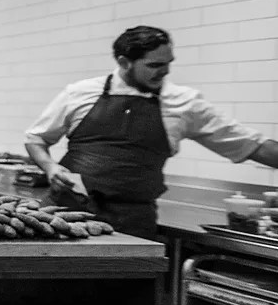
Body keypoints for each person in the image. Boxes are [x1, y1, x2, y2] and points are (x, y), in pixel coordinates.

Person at [25, 25, 278, 239]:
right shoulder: (81, 92)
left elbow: (251, 144)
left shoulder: (184, 103)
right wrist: (50, 167)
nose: (165, 71)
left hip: (132, 221)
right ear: (124, 62)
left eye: (168, 63)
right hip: (64, 212)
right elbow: (36, 138)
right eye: (155, 65)